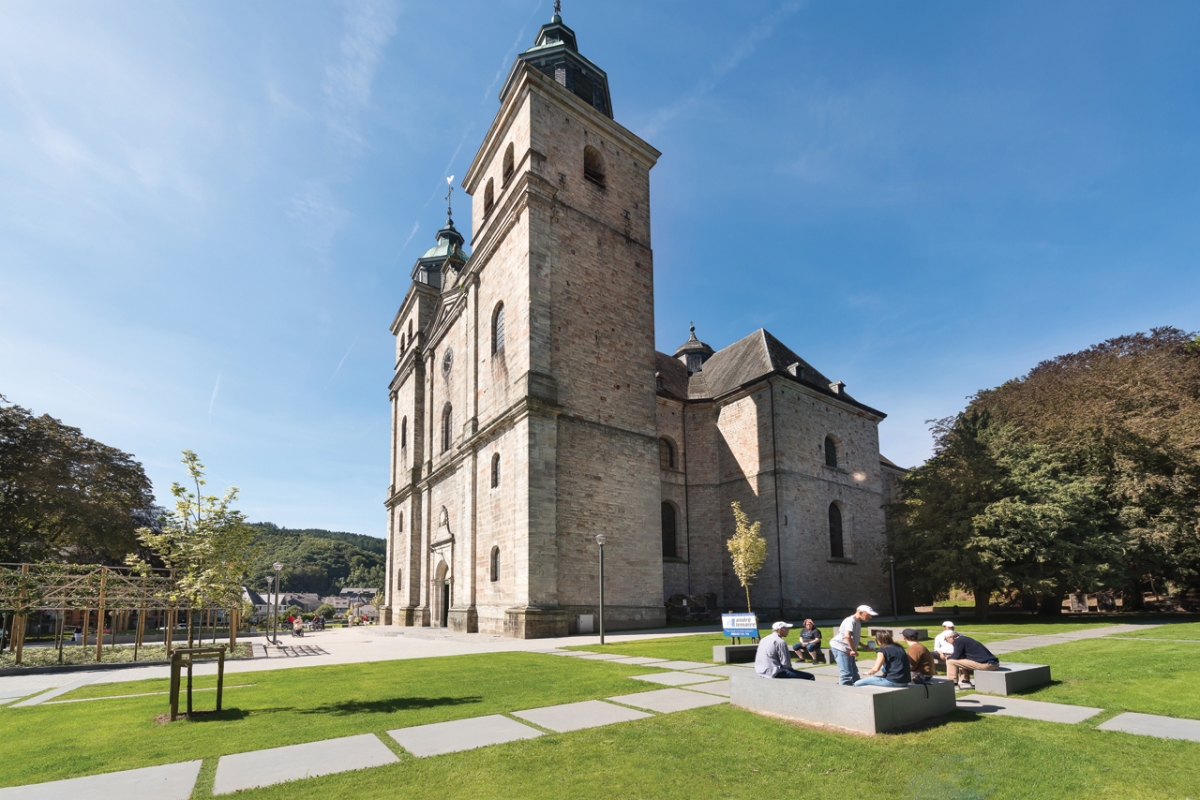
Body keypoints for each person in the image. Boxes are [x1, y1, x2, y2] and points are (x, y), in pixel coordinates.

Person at [830, 605, 878, 685]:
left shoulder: (857, 621)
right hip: (841, 648)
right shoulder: (851, 621)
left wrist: (863, 646)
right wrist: (853, 650)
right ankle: (845, 693)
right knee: (846, 674)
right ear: (861, 613)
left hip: (847, 649)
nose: (870, 617)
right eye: (869, 615)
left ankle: (857, 690)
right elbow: (847, 636)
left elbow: (853, 638)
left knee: (854, 673)